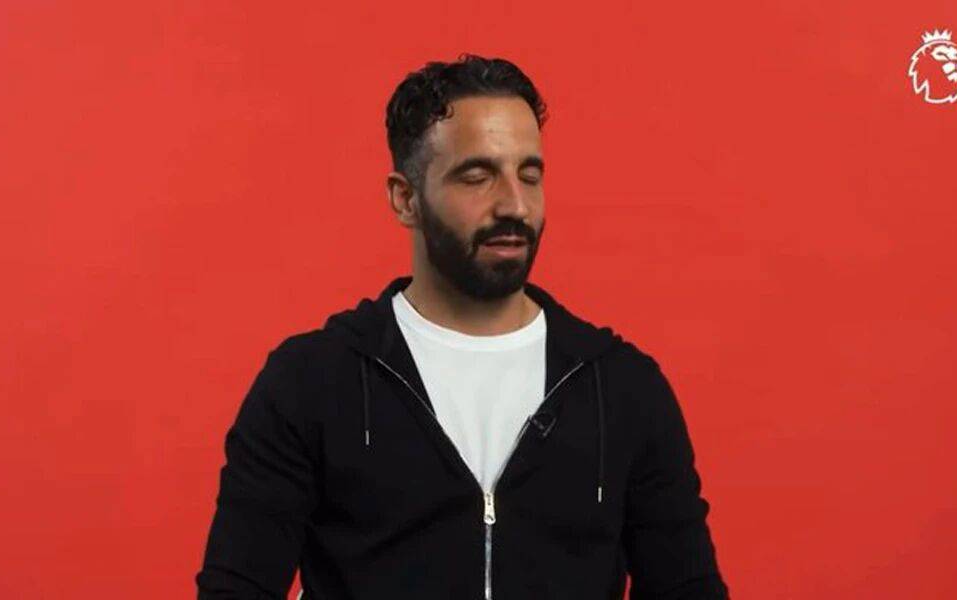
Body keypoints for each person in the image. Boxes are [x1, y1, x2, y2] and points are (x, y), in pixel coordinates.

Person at [196, 53, 729, 599]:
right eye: (477, 177)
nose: (514, 205)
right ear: (406, 199)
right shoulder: (311, 382)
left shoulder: (621, 388)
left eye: (529, 175)